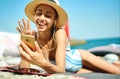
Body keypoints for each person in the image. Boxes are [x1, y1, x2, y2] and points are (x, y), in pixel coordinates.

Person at [16, 0, 120, 74]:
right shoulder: (33, 36)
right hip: (72, 70)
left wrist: (42, 63)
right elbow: (24, 69)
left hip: (79, 59)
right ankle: (112, 63)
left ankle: (113, 63)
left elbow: (60, 70)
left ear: (54, 19)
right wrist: (26, 42)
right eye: (39, 13)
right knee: (102, 73)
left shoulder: (59, 33)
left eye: (48, 15)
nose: (41, 18)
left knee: (117, 72)